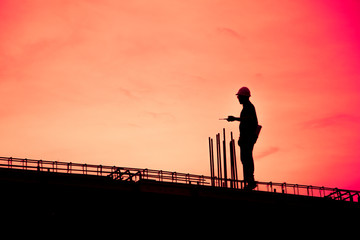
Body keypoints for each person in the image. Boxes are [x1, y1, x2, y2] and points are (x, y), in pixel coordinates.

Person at [227, 87, 259, 190]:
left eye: (239, 97)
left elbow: (249, 120)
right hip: (246, 137)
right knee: (244, 158)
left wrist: (235, 118)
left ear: (244, 97)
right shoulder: (246, 108)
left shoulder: (249, 107)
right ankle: (249, 180)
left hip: (249, 137)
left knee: (247, 157)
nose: (238, 99)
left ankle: (250, 180)